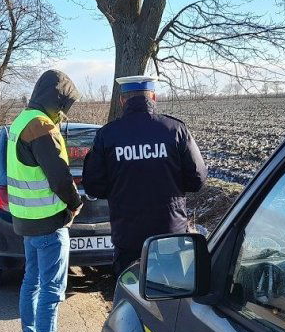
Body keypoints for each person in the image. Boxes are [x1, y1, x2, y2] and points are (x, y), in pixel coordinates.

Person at [82, 75, 208, 275]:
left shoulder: (108, 135)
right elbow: (197, 179)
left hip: (128, 233)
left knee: (130, 292)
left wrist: (119, 191)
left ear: (122, 101)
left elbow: (93, 184)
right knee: (173, 292)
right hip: (170, 231)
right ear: (154, 97)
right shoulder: (175, 129)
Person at [8, 69, 85, 332]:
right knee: (52, 291)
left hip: (26, 222)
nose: (64, 112)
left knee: (32, 282)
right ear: (56, 99)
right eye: (64, 105)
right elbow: (59, 178)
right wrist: (75, 203)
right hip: (50, 224)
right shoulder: (42, 126)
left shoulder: (20, 121)